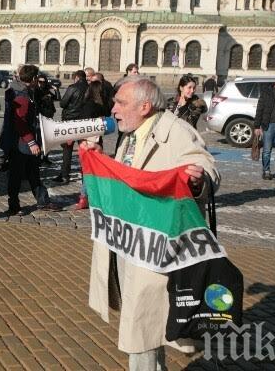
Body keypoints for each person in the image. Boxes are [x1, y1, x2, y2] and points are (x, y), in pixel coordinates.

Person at [85, 76, 220, 371]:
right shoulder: (131, 133)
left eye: (120, 103)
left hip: (159, 245)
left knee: (142, 327)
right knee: (144, 324)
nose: (114, 110)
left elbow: (207, 167)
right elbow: (128, 177)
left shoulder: (176, 131)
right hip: (130, 242)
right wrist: (102, 161)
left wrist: (197, 181)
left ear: (144, 106)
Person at [1, 65, 61, 215]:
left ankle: (43, 201)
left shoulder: (22, 90)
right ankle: (14, 205)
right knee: (16, 174)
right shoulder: (21, 95)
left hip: (22, 141)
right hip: (20, 142)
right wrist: (31, 142)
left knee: (33, 172)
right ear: (33, 79)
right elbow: (19, 122)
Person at [74, 79, 109, 210]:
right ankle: (92, 196)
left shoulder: (88, 105)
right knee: (93, 170)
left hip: (87, 142)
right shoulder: (101, 105)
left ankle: (84, 198)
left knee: (88, 171)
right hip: (97, 141)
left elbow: (81, 125)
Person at [54, 70, 88, 183]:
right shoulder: (89, 88)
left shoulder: (73, 87)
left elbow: (63, 103)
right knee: (84, 149)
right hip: (84, 121)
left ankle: (64, 175)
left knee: (67, 149)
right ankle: (86, 175)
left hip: (70, 121)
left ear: (77, 77)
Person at [254, 71, 275, 181]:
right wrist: (256, 126)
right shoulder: (268, 92)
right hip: (268, 125)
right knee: (267, 150)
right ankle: (266, 171)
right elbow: (260, 109)